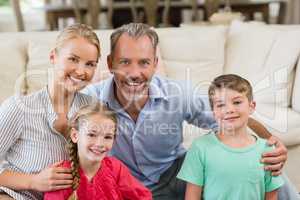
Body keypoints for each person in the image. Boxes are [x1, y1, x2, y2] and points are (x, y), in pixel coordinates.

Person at [82, 23, 296, 200]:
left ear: (155, 64)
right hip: (125, 187)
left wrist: (271, 141)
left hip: (177, 175)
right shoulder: (90, 100)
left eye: (144, 63)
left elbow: (230, 117)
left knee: (265, 160)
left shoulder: (177, 94)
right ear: (110, 63)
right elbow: (57, 133)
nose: (135, 73)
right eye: (125, 62)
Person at [0, 23, 101, 200]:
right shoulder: (19, 108)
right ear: (53, 56)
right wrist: (33, 181)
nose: (81, 71)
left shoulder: (94, 110)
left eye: (90, 64)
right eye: (73, 59)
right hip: (17, 195)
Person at [177, 74, 284, 200]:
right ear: (214, 112)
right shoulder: (200, 148)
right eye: (221, 105)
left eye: (237, 102)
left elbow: (271, 197)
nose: (229, 109)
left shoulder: (267, 150)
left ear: (251, 106)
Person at [44, 103, 152, 200]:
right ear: (75, 135)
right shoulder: (61, 175)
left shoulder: (115, 168)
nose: (100, 143)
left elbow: (143, 196)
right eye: (91, 135)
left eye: (108, 137)